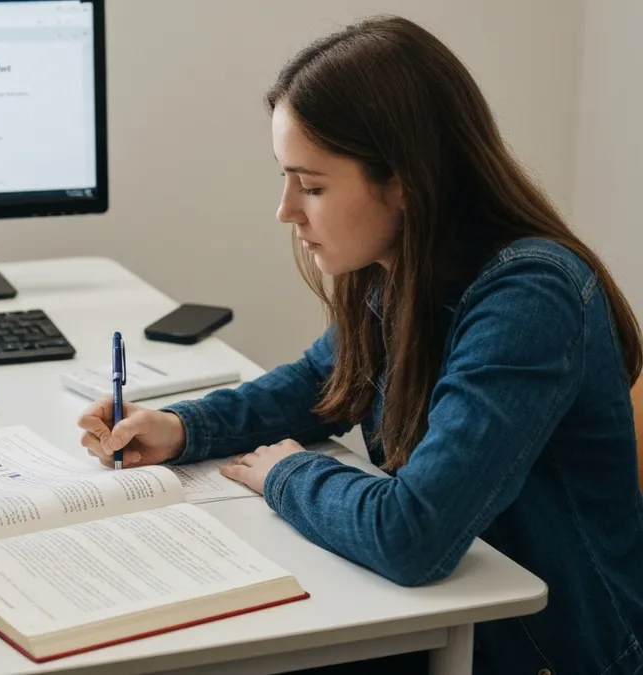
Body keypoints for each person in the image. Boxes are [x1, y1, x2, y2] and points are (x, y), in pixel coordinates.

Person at [79, 15, 643, 675]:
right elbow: (317, 385)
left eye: (312, 185)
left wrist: (287, 474)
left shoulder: (530, 298)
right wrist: (181, 427)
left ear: (403, 180)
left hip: (547, 652)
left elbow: (413, 533)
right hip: (454, 620)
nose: (286, 209)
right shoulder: (398, 268)